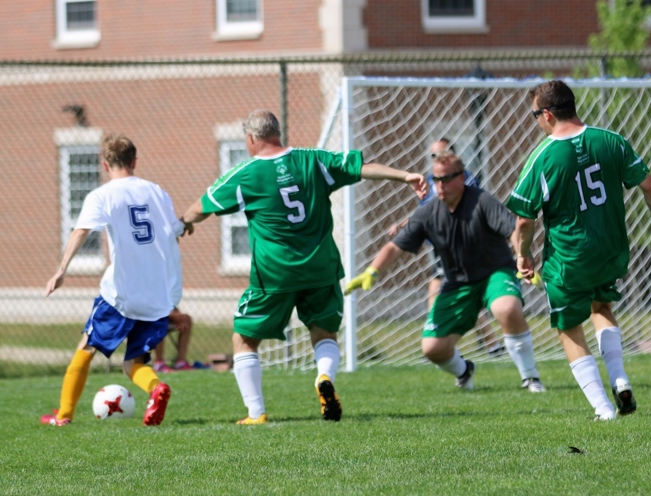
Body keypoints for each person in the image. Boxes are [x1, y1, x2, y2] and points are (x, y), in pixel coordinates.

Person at [180, 109, 428, 425]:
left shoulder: (245, 173)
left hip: (275, 274)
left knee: (244, 339)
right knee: (324, 332)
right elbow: (362, 168)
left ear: (252, 139)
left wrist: (183, 223)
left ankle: (256, 414)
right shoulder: (314, 159)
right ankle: (324, 377)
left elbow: (201, 207)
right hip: (320, 268)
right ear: (277, 133)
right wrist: (405, 175)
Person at [506, 80, 651, 420]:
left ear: (548, 114)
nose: (536, 121)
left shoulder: (543, 156)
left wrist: (523, 254)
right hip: (611, 250)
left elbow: (524, 221)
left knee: (568, 327)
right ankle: (621, 380)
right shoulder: (610, 140)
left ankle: (602, 408)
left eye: (535, 114)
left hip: (569, 257)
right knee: (601, 305)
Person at [346, 151, 546, 393]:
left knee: (507, 308)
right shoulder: (427, 212)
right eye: (435, 179)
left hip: (495, 273)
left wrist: (522, 257)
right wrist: (372, 272)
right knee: (432, 348)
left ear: (461, 178)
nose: (440, 185)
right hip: (457, 284)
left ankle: (530, 378)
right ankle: (464, 371)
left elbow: (512, 229)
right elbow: (395, 247)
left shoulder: (482, 201)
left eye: (446, 179)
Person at [41, 133, 184, 427]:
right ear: (134, 161)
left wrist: (62, 269)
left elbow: (81, 231)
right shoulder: (157, 191)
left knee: (86, 347)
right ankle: (156, 388)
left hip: (120, 294)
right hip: (156, 295)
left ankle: (63, 415)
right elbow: (175, 230)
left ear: (105, 165)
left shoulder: (102, 195)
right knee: (134, 362)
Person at [389, 138, 505, 357]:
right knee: (438, 291)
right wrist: (403, 225)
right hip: (440, 246)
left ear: (453, 154)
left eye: (441, 153)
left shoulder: (463, 180)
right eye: (432, 155)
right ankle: (488, 344)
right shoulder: (434, 181)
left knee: (441, 292)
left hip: (458, 245)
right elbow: (426, 213)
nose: (436, 159)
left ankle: (447, 341)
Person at [154, 308, 197, 372]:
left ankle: (180, 362)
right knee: (159, 320)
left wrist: (178, 316)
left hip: (167, 315)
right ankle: (159, 363)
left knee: (186, 319)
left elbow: (173, 305)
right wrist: (172, 315)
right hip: (151, 317)